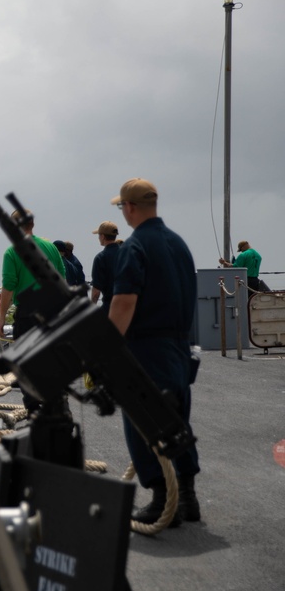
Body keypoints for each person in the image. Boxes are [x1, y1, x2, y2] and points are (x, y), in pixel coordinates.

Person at [109, 178, 201, 525]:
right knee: (177, 422)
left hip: (146, 348)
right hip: (179, 347)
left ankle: (164, 500)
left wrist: (106, 349)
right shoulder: (179, 244)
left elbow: (124, 302)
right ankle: (188, 499)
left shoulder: (135, 247)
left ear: (130, 208)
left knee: (144, 424)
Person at [0, 209, 67, 413]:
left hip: (27, 316)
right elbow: (62, 279)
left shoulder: (12, 252)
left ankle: (34, 411)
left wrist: (0, 318)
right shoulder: (50, 248)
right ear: (32, 224)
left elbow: (9, 285)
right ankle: (61, 406)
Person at [90, 220, 121, 310]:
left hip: (111, 307)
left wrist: (92, 310)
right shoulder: (128, 254)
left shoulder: (100, 258)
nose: (98, 238)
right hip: (130, 308)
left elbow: (96, 292)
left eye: (99, 235)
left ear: (103, 237)